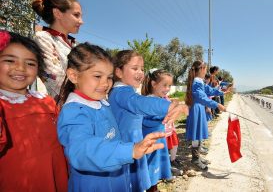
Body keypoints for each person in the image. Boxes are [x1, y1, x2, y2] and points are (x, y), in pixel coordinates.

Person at [56, 43, 166, 192]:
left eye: (108, 77)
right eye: (97, 76)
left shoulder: (102, 104)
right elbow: (81, 150)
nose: (105, 83)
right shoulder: (74, 112)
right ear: (74, 76)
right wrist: (130, 151)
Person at [108, 50, 188, 192]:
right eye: (135, 68)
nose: (140, 72)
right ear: (119, 72)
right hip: (127, 146)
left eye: (142, 69)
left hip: (133, 144)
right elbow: (141, 103)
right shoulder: (121, 93)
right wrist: (170, 106)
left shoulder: (127, 91)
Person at [0, 31, 68, 191]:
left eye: (30, 63)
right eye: (10, 60)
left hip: (56, 178)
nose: (20, 68)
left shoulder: (46, 101)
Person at [32, 0, 83, 98]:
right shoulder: (43, 38)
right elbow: (54, 78)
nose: (81, 21)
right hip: (62, 107)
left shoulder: (74, 45)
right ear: (58, 13)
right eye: (76, 15)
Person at [141, 68, 179, 191]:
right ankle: (152, 188)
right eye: (164, 85)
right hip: (151, 141)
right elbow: (145, 121)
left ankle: (155, 187)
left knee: (157, 165)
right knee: (151, 167)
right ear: (153, 84)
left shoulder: (160, 100)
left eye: (169, 85)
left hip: (159, 140)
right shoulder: (148, 101)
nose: (167, 89)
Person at [185, 60, 226, 171]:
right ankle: (195, 159)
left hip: (198, 109)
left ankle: (198, 157)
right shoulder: (196, 83)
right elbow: (202, 97)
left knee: (198, 134)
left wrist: (222, 92)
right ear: (202, 69)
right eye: (205, 69)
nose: (206, 72)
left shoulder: (199, 81)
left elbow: (209, 90)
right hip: (196, 110)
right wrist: (217, 104)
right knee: (196, 135)